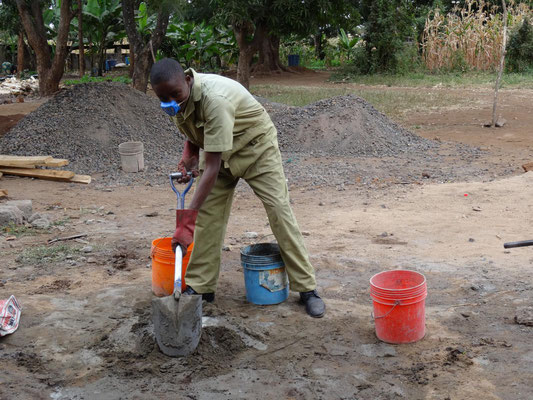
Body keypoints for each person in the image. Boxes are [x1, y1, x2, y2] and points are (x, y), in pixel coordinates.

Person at [150, 58, 325, 318]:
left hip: (255, 149)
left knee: (279, 211)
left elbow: (210, 167)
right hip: (219, 155)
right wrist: (189, 153)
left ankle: (307, 289)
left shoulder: (215, 99)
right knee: (208, 218)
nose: (170, 102)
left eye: (174, 95)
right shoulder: (177, 98)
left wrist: (185, 224)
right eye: (163, 98)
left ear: (188, 80)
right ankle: (201, 288)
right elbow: (193, 128)